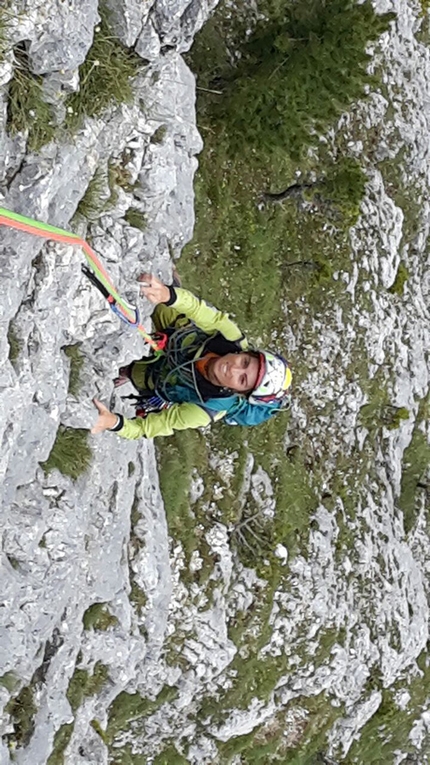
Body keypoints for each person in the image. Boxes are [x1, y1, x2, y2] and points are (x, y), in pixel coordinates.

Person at [91, 273, 292, 439]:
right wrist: (168, 295)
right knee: (163, 308)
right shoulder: (232, 339)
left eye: (242, 379)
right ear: (245, 352)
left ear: (239, 392)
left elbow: (151, 427)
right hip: (180, 338)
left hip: (166, 376)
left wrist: (114, 423)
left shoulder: (207, 409)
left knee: (138, 374)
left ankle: (128, 371)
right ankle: (172, 289)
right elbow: (199, 310)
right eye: (245, 362)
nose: (233, 368)